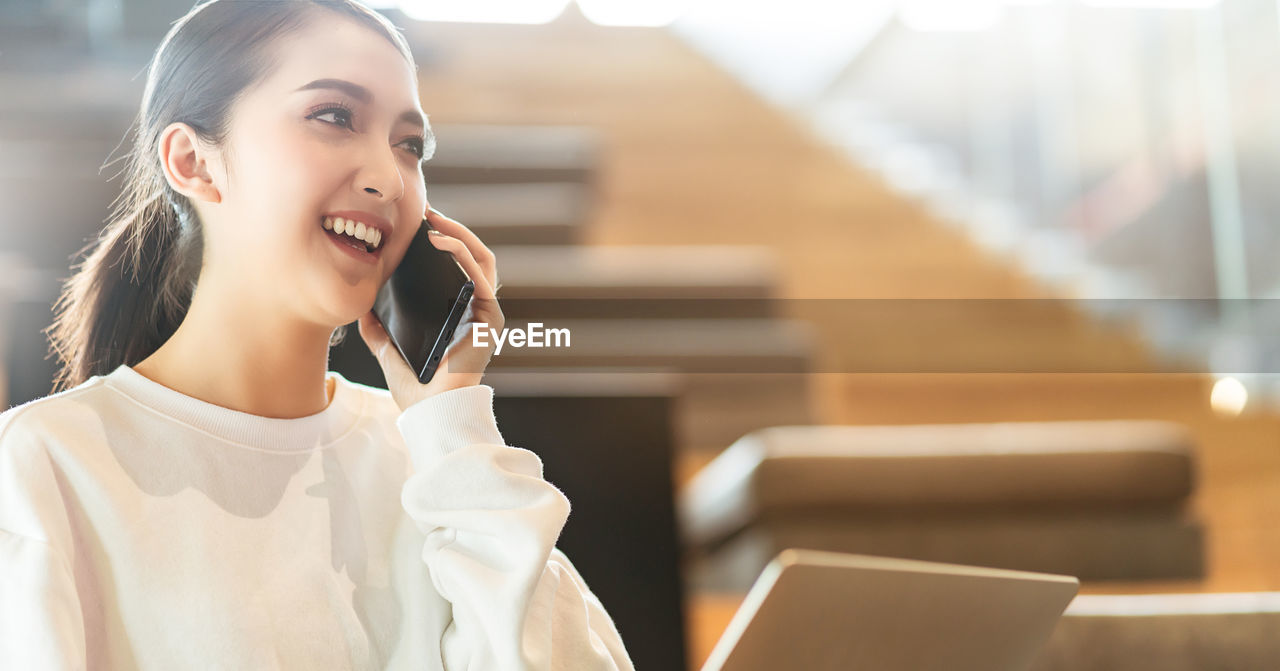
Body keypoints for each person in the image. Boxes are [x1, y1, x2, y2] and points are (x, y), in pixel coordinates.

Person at [0, 1, 635, 668]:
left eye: (409, 145)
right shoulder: (40, 468)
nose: (389, 179)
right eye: (334, 116)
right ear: (194, 162)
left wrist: (454, 430)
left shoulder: (440, 467)